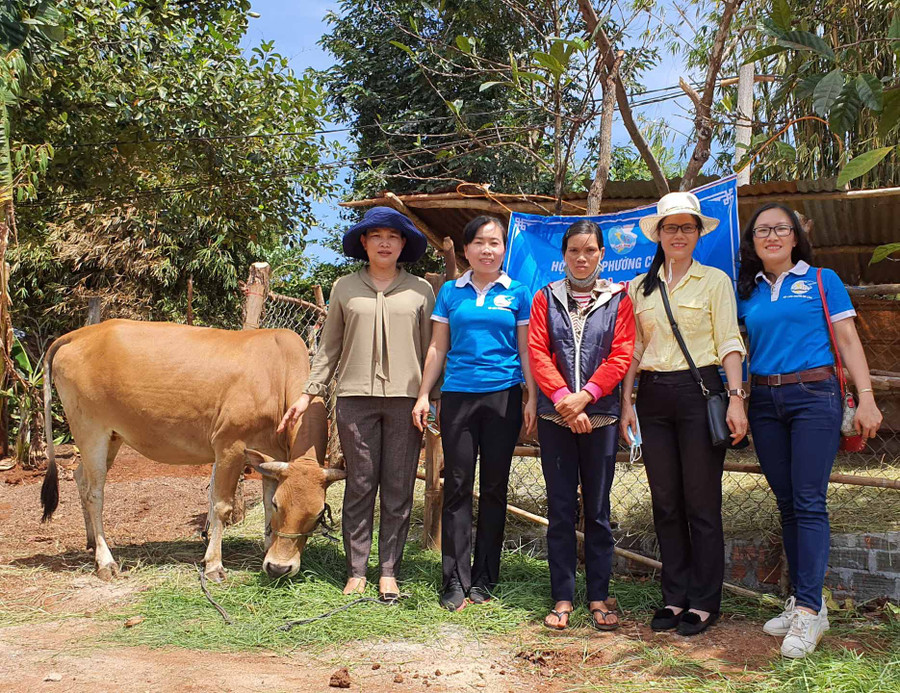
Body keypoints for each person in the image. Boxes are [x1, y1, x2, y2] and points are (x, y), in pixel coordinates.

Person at [736, 203, 882, 658]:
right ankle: (804, 602)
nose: (772, 236)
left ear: (796, 236)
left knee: (808, 500)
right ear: (753, 242)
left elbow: (848, 341)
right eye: (763, 231)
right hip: (764, 400)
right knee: (787, 502)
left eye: (781, 229)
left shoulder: (823, 281)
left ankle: (808, 611)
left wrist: (868, 396)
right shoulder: (749, 291)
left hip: (814, 397)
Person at [278, 206, 435, 602]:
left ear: (403, 245)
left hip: (405, 402)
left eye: (394, 236)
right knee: (361, 485)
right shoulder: (344, 288)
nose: (385, 242)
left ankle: (388, 572)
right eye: (376, 235)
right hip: (354, 400)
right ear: (363, 243)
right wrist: (307, 392)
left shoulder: (420, 290)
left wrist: (428, 398)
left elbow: (432, 349)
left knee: (398, 488)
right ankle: (357, 570)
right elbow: (329, 347)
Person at [619, 191, 748, 636]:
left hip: (702, 395)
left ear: (697, 234)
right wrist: (626, 404)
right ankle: (674, 597)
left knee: (702, 501)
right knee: (666, 502)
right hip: (652, 399)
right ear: (658, 234)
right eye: (671, 227)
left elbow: (729, 341)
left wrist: (735, 398)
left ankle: (704, 601)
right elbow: (632, 351)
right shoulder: (639, 287)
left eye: (687, 227)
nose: (679, 235)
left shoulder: (714, 281)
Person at [412, 215, 537, 611]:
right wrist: (422, 395)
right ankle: (453, 580)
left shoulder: (517, 292)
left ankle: (484, 578)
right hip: (458, 398)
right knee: (457, 488)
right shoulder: (450, 292)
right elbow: (437, 348)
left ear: (504, 249)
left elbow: (525, 349)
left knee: (495, 490)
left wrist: (531, 396)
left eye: (495, 242)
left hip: (503, 397)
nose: (487, 249)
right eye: (479, 242)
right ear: (465, 250)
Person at [527, 220, 635, 631]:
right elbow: (538, 352)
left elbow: (622, 354)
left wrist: (586, 396)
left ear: (602, 254)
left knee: (598, 511)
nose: (582, 257)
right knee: (559, 510)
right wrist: (563, 401)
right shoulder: (545, 298)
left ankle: (598, 596)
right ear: (564, 254)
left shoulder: (618, 299)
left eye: (590, 250)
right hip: (556, 418)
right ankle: (562, 596)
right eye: (574, 250)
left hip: (601, 415)